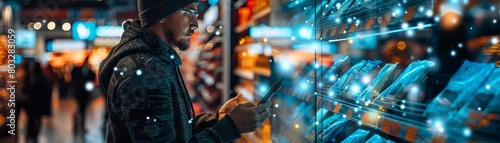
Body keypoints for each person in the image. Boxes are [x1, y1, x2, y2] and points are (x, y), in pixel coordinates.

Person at [98, 0, 272, 142]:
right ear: (163, 14)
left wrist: (217, 120)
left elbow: (175, 131)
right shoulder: (144, 73)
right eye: (190, 13)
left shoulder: (158, 60)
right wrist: (230, 127)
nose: (195, 24)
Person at [71, 57, 96, 136]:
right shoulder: (77, 69)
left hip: (85, 93)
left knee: (83, 109)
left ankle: (81, 126)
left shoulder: (89, 71)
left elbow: (93, 77)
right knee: (80, 109)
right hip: (79, 92)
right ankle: (77, 125)